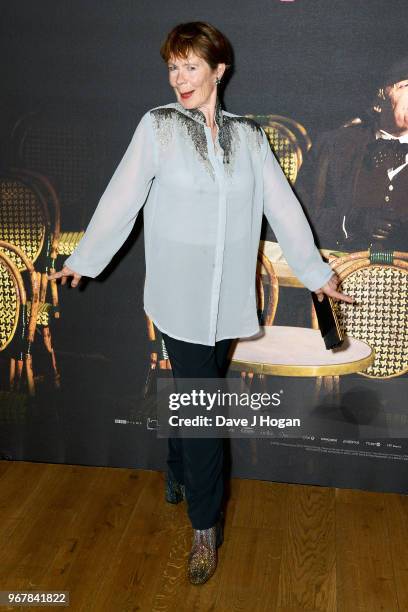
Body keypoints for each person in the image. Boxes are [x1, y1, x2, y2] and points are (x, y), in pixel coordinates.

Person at [47, 21, 354, 585]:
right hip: (178, 297)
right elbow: (123, 195)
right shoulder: (157, 127)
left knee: (196, 400)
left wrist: (316, 274)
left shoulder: (250, 135)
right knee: (206, 411)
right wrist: (84, 259)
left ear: (219, 71)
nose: (179, 78)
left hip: (231, 299)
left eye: (191, 66)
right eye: (172, 66)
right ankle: (204, 528)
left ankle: (175, 467)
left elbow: (284, 209)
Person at [294, 56, 408, 252]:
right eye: (405, 86)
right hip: (341, 268)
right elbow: (296, 215)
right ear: (378, 99)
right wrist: (352, 223)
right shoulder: (334, 144)